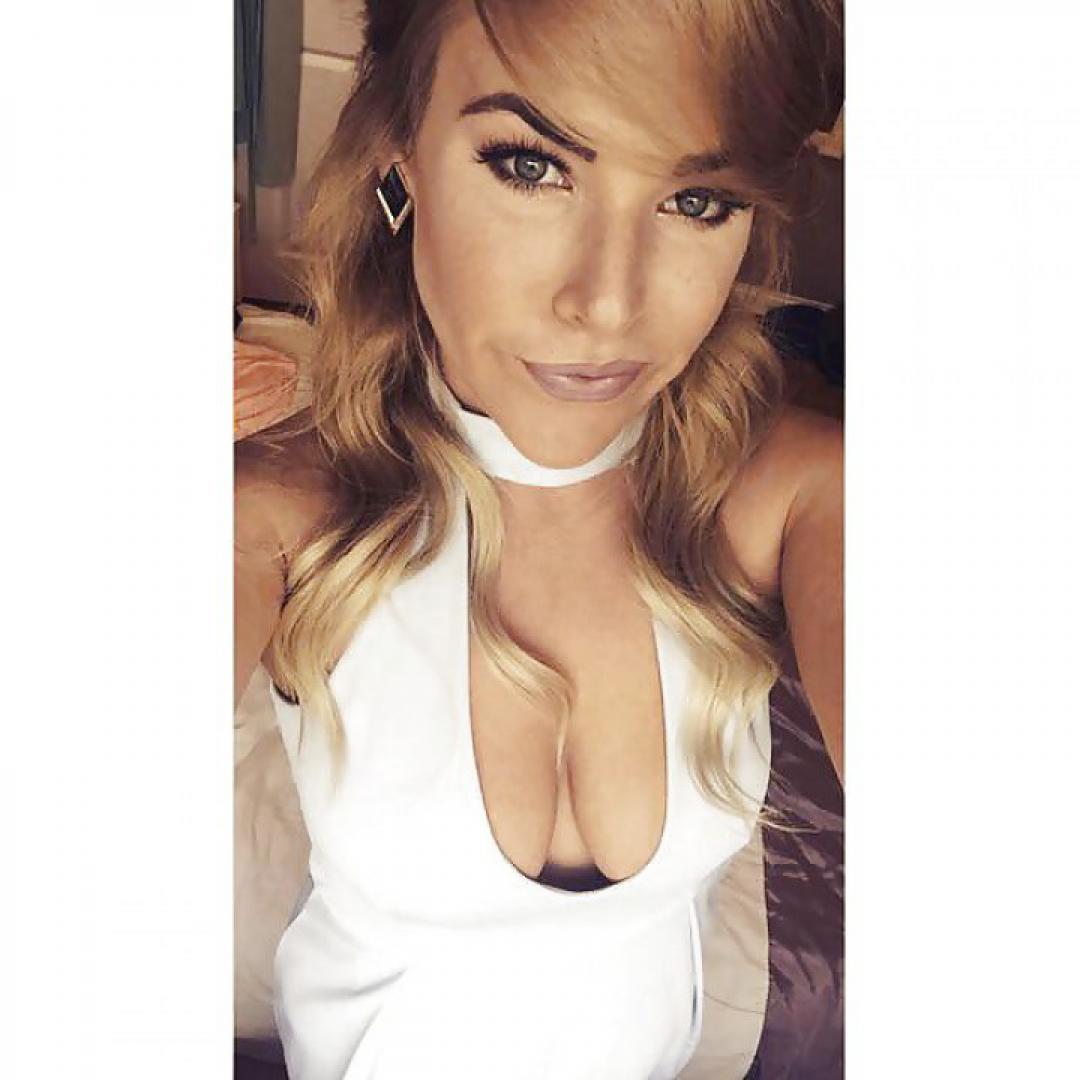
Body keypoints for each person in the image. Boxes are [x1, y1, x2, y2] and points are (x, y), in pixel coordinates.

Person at [234, 1, 844, 1077]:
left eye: (696, 199)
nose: (607, 305)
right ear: (400, 150)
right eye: (530, 165)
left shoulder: (794, 493)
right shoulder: (287, 514)